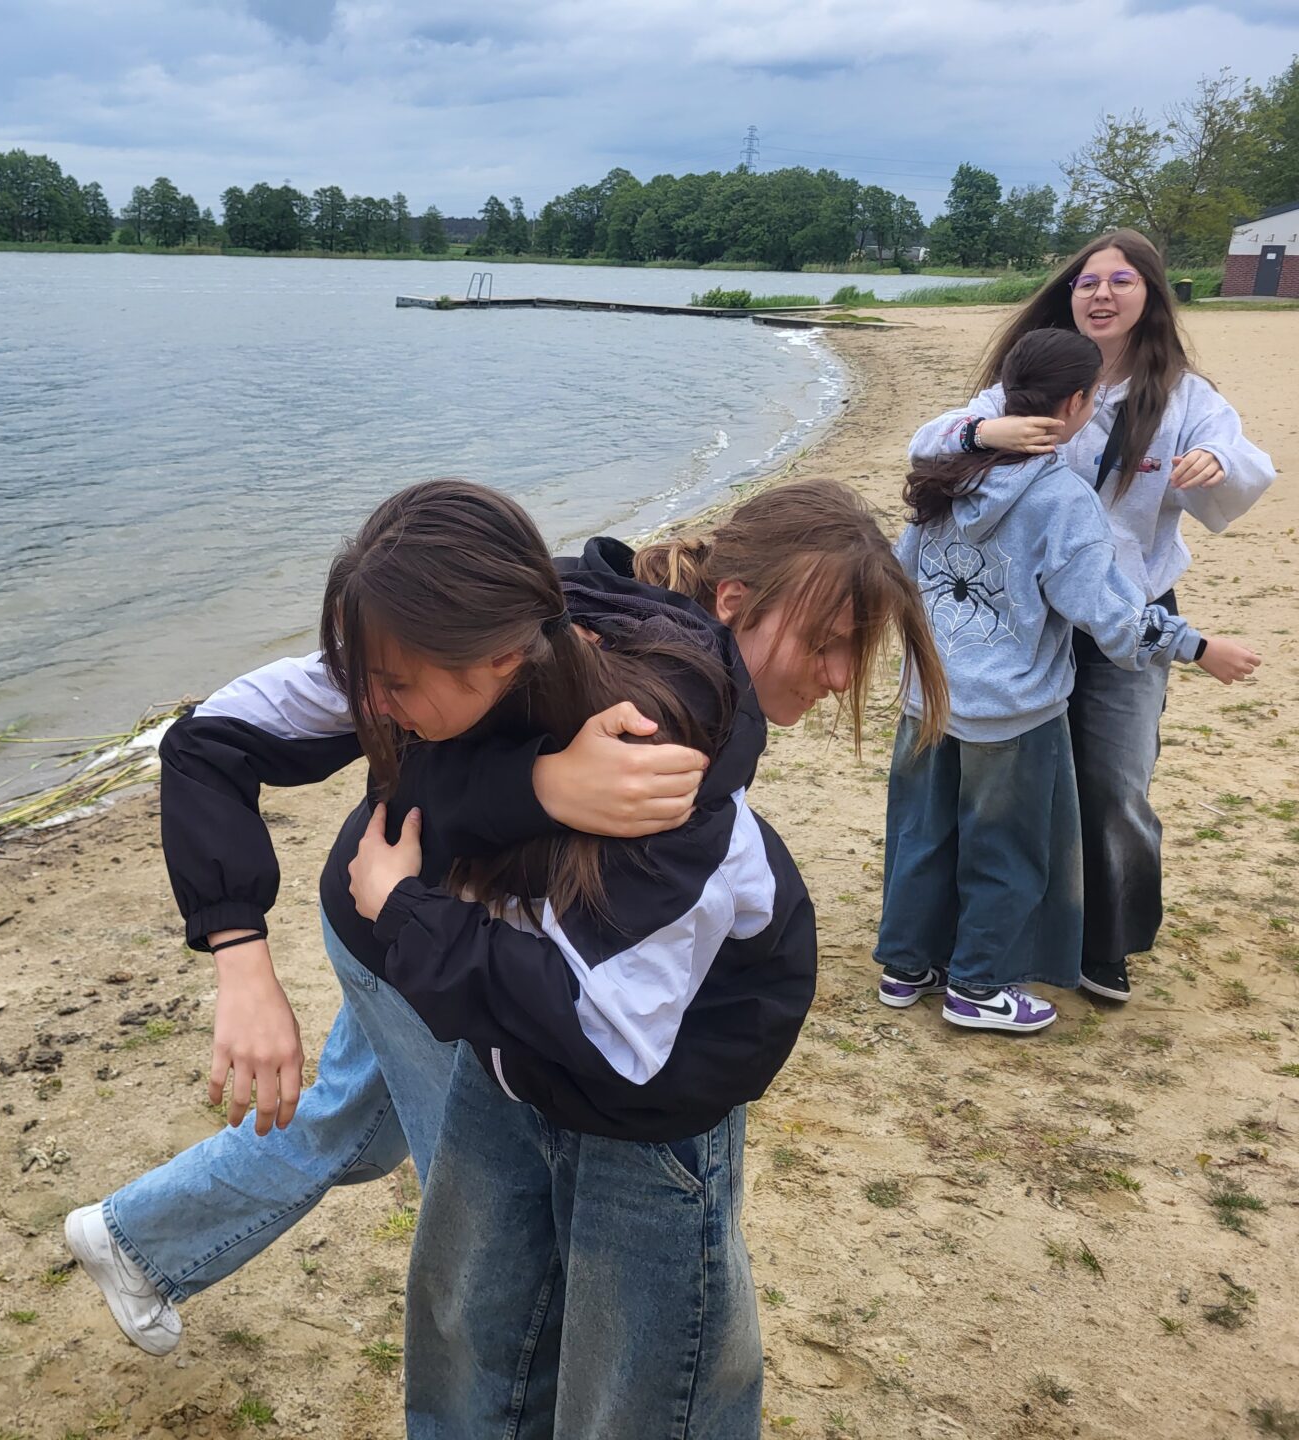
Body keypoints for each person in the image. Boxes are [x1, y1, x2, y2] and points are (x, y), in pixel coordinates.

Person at [66, 478, 947, 1359]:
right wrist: (244, 959)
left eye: (854, 651)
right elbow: (223, 739)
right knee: (481, 1218)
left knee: (350, 1125)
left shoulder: (644, 673)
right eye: (825, 643)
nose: (840, 677)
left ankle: (135, 1240)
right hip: (401, 920)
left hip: (429, 919)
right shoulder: (464, 636)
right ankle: (149, 1245)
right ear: (732, 600)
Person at [327, 480, 814, 1438]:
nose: (372, 708)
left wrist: (406, 913)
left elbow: (609, 1029)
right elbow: (283, 753)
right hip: (513, 1067)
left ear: (501, 657)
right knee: (472, 1336)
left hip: (650, 1118)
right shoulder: (486, 673)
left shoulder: (654, 768)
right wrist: (535, 786)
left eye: (394, 685)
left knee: (637, 1391)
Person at [909, 228, 1275, 1002]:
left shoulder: (1182, 395)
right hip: (1023, 619)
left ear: (1150, 295)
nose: (1101, 294)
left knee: (1114, 782)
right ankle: (990, 935)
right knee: (1011, 786)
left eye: (1121, 281)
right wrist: (985, 431)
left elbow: (1247, 463)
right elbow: (931, 442)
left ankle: (1106, 939)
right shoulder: (1028, 381)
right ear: (1069, 295)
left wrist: (1217, 463)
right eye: (1087, 282)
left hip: (1129, 612)